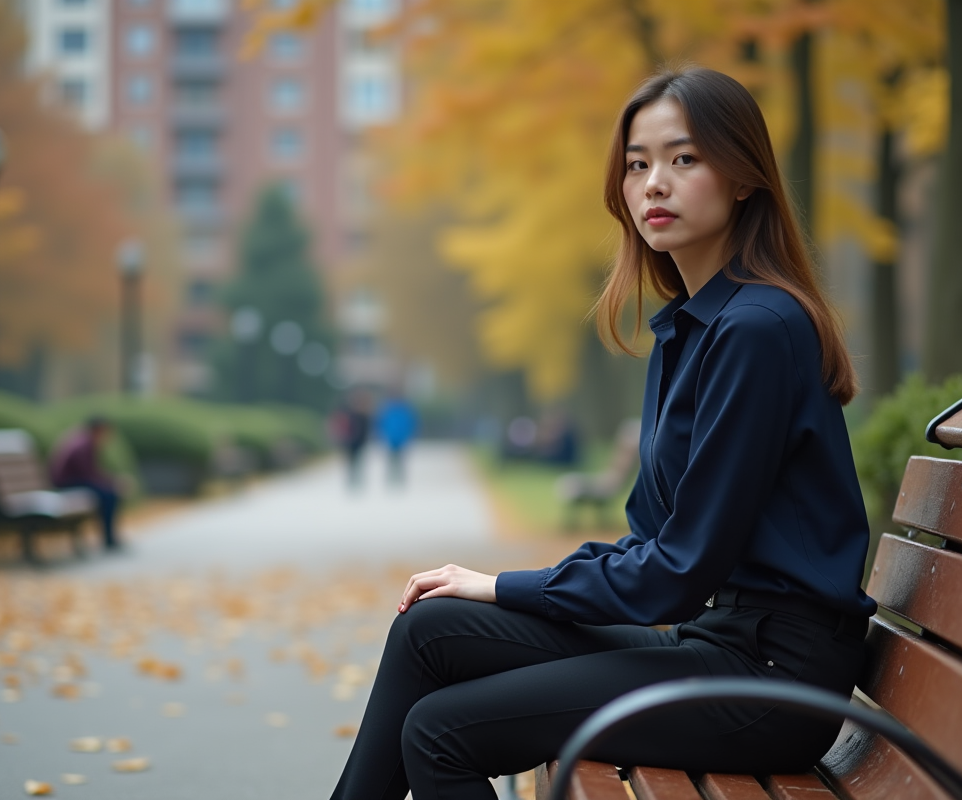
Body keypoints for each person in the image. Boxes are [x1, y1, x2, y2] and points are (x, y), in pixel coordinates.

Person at [329, 67, 876, 799]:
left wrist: (504, 585)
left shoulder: (758, 330)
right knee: (428, 631)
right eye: (637, 164)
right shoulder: (691, 328)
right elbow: (649, 539)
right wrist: (495, 592)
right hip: (717, 645)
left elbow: (679, 571)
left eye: (685, 159)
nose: (655, 183)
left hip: (769, 683)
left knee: (440, 730)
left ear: (744, 178)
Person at [49, 416, 123, 550]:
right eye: (107, 431)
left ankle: (109, 538)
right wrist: (113, 482)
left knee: (109, 493)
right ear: (99, 430)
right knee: (109, 495)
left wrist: (112, 481)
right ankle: (109, 539)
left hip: (74, 481)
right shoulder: (84, 445)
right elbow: (88, 474)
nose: (109, 436)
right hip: (67, 483)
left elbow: (91, 473)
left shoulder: (84, 440)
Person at [375, 393, 418, 486]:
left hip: (400, 438)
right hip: (391, 438)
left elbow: (411, 424)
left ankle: (398, 478)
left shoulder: (403, 409)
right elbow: (380, 423)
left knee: (399, 459)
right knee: (392, 459)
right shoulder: (388, 409)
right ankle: (392, 478)